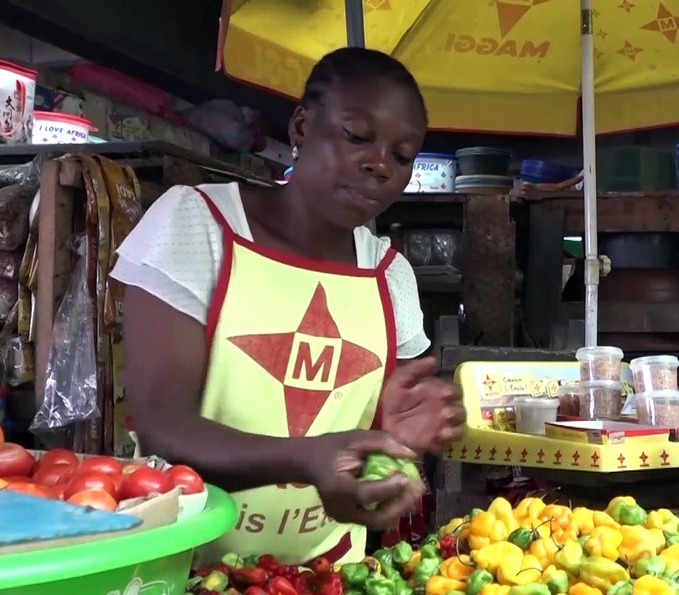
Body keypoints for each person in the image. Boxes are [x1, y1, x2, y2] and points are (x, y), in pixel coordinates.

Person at [110, 47, 465, 565]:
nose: (379, 164)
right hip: (181, 572)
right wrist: (308, 459)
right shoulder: (198, 225)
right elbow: (164, 424)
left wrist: (402, 439)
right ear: (300, 127)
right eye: (357, 135)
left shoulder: (390, 275)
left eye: (402, 155)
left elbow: (379, 423)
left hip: (330, 589)